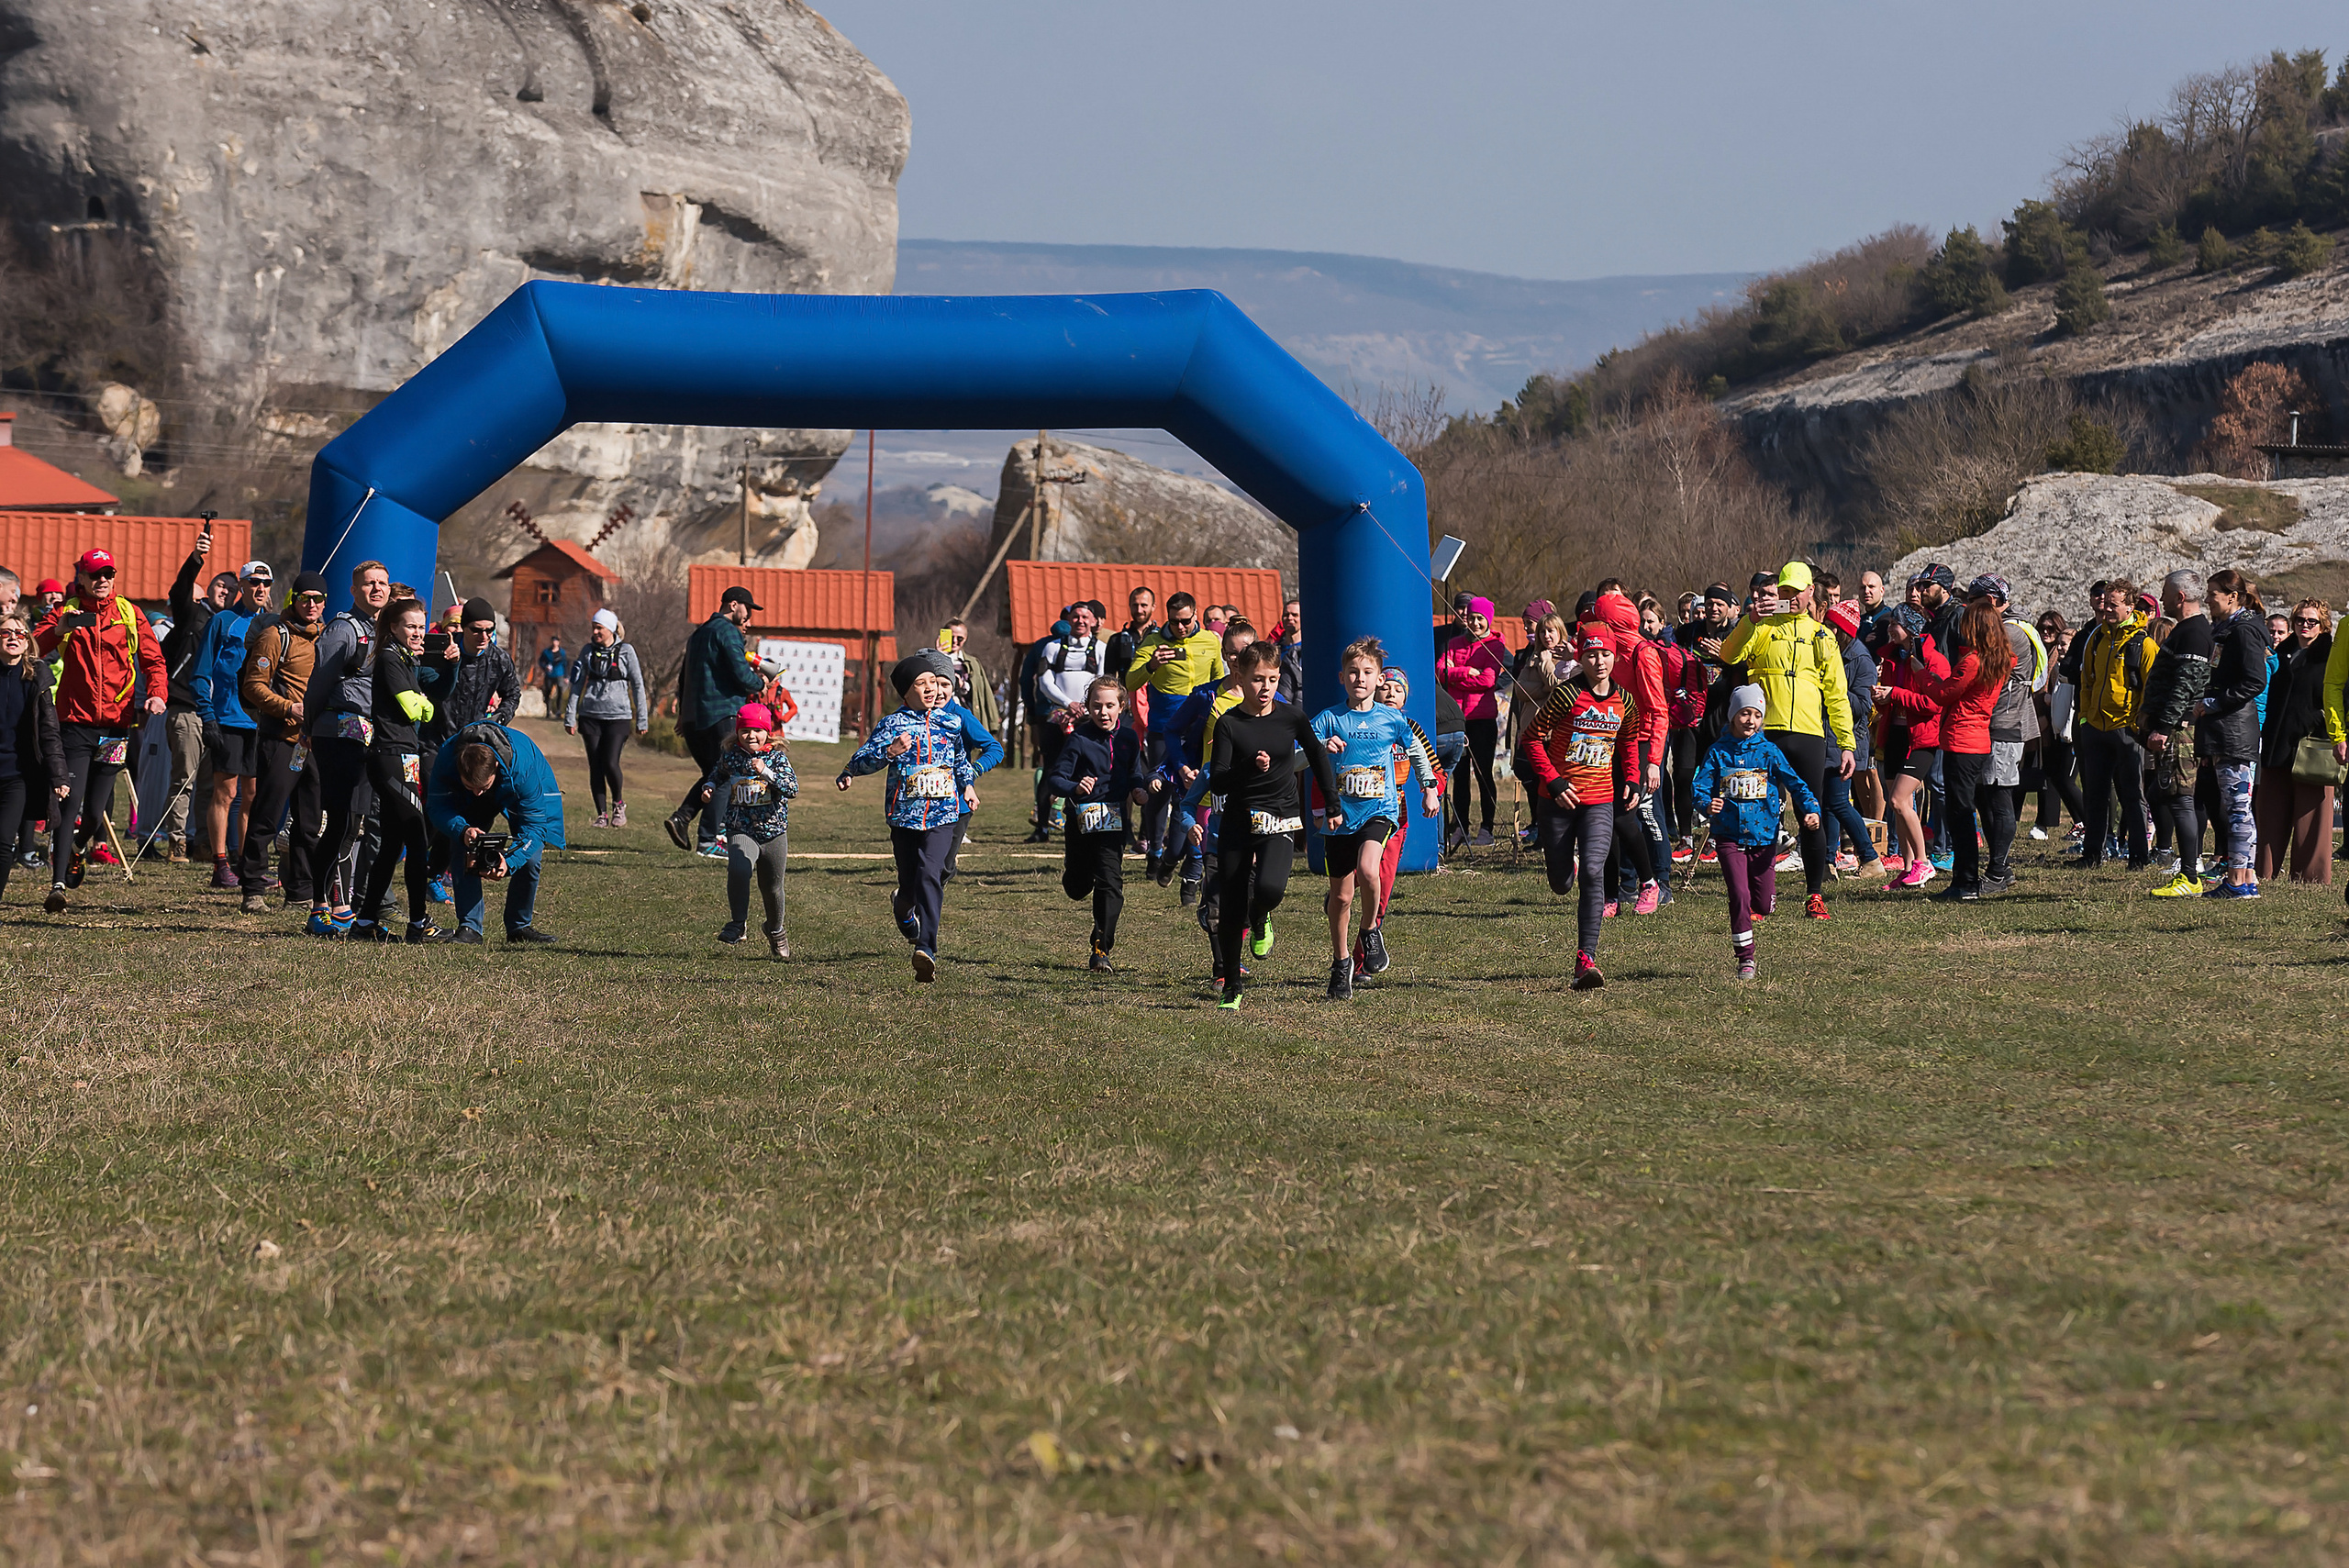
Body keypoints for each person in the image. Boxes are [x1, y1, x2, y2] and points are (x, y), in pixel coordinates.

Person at [31, 549, 169, 915]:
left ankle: (78, 847)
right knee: (68, 803)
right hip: (74, 724)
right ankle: (58, 883)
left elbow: (153, 659)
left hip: (115, 727)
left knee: (95, 812)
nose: (103, 580)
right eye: (96, 575)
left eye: (108, 573)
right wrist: (61, 628)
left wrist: (157, 693)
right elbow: (36, 646)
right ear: (82, 579)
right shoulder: (68, 610)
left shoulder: (129, 612)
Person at [1205, 642, 1341, 1011]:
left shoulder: (1292, 717)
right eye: (1258, 679)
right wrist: (1249, 767)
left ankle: (1262, 914)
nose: (1266, 687)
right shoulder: (1229, 723)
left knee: (1269, 888)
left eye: (1273, 679)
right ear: (1240, 678)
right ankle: (1232, 984)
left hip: (1280, 815)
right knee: (1232, 906)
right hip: (1237, 820)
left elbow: (1316, 756)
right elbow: (1217, 781)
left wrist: (1331, 800)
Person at [1718, 561, 1854, 920]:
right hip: (1765, 734)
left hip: (1809, 735)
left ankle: (1814, 894)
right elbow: (1728, 655)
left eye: (1797, 591)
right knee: (1756, 814)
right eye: (1785, 591)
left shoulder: (1822, 636)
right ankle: (1761, 895)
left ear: (1811, 592)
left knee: (1811, 814)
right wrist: (1749, 619)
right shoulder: (1761, 628)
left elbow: (1837, 695)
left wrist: (1847, 743)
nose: (1790, 597)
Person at [839, 649, 981, 984]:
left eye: (934, 681)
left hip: (944, 813)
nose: (932, 688)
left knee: (931, 873)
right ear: (906, 692)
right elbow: (862, 759)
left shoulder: (951, 721)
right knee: (909, 883)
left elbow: (960, 761)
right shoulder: (893, 724)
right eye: (922, 683)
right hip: (904, 816)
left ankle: (926, 948)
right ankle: (903, 910)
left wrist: (969, 787)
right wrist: (889, 752)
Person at [1311, 636, 1441, 998]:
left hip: (1379, 810)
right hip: (1340, 818)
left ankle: (1369, 931)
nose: (1360, 679)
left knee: (1369, 869)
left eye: (1368, 672)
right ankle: (1340, 964)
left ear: (1379, 678)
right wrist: (1320, 748)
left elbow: (1416, 750)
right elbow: (1297, 754)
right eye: (1353, 672)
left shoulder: (1392, 719)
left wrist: (1428, 786)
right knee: (1340, 897)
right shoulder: (1329, 719)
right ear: (1342, 677)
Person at [1523, 624, 1629, 991]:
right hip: (1556, 800)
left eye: (1605, 654)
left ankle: (1586, 959)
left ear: (1615, 657)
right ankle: (1563, 863)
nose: (1598, 661)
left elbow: (1628, 741)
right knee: (1561, 882)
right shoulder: (1566, 695)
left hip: (1599, 799)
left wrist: (1631, 777)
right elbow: (1531, 739)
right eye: (1591, 654)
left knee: (1594, 872)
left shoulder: (1624, 701)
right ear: (1580, 657)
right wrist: (1553, 781)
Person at [1693, 684, 1821, 979]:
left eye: (1756, 715)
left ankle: (1767, 897)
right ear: (1732, 716)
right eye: (1744, 714)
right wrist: (1705, 803)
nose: (1750, 720)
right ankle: (1745, 959)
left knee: (1761, 903)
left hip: (1764, 838)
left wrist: (1811, 808)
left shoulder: (1769, 752)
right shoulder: (1718, 752)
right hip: (1728, 836)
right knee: (1738, 893)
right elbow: (1699, 786)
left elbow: (1796, 783)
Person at [304, 561, 393, 936]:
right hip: (337, 733)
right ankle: (319, 908)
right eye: (369, 584)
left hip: (369, 737)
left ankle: (345, 907)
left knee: (355, 824)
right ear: (354, 591)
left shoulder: (385, 630)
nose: (377, 589)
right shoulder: (343, 629)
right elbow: (319, 682)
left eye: (382, 583)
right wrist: (308, 729)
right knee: (339, 822)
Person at [350, 597, 441, 945]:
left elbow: (424, 707)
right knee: (417, 840)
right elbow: (412, 706)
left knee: (392, 845)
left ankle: (365, 921)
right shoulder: (390, 657)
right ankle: (419, 923)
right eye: (410, 626)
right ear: (393, 627)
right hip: (389, 758)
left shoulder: (405, 658)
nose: (418, 632)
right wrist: (423, 703)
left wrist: (424, 703)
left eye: (421, 626)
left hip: (405, 755)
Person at [233, 571, 327, 914]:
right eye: (305, 598)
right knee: (267, 816)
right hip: (281, 738)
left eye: (318, 599)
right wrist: (290, 708)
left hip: (315, 742)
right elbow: (253, 686)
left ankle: (300, 892)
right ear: (293, 600)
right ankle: (253, 889)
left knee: (309, 822)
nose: (312, 605)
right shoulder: (276, 635)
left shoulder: (326, 635)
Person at [427, 718, 566, 944]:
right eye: (470, 786)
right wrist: (463, 830)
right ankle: (470, 928)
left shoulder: (522, 767)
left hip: (519, 788)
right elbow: (437, 806)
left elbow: (535, 826)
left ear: (496, 768)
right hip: (475, 796)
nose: (478, 793)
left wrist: (508, 863)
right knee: (464, 847)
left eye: (483, 787)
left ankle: (519, 927)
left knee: (530, 857)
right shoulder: (447, 757)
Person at [1916, 597, 2016, 901]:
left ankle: (1966, 881)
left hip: (1961, 740)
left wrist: (1922, 674)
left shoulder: (1973, 661)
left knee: (1960, 814)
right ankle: (1967, 878)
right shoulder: (2002, 658)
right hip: (1979, 739)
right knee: (1964, 810)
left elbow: (1944, 695)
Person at [1045, 675, 1142, 971]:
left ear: (1122, 707)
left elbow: (1135, 771)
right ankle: (1076, 875)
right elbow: (1055, 779)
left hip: (1113, 822)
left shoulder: (1129, 739)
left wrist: (1139, 789)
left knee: (1111, 883)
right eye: (1097, 706)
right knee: (1077, 887)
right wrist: (1075, 787)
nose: (1103, 712)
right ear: (1088, 707)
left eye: (1110, 705)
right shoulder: (1079, 738)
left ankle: (1101, 948)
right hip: (1081, 820)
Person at [2061, 578, 2157, 871]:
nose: (2107, 608)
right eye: (2105, 603)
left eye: (2114, 604)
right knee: (2095, 793)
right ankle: (2092, 854)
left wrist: (2138, 723)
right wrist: (2086, 718)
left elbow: (2151, 689)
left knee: (2131, 794)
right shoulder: (2096, 639)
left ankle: (2139, 856)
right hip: (2095, 727)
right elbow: (2086, 681)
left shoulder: (2143, 643)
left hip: (2126, 729)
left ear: (2130, 606)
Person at [1125, 592, 1225, 873]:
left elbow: (1220, 679)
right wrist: (1152, 665)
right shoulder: (1153, 641)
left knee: (1190, 792)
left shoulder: (1208, 641)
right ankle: (1154, 851)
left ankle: (1182, 854)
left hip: (1198, 729)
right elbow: (1130, 681)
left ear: (1196, 615)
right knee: (1159, 791)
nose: (1180, 628)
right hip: (1163, 728)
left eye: (1185, 621)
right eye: (1174, 621)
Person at [666, 585, 770, 857]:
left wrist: (682, 714)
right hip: (721, 714)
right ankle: (708, 839)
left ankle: (682, 819)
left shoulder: (699, 633)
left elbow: (684, 676)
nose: (748, 618)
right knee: (725, 776)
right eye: (748, 610)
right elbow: (740, 673)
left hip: (693, 717)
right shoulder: (727, 632)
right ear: (733, 605)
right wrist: (760, 683)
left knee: (714, 773)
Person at [190, 561, 274, 891]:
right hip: (227, 718)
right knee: (226, 793)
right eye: (254, 581)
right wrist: (207, 715)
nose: (261, 588)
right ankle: (220, 863)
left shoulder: (272, 624)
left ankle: (247, 863)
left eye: (266, 582)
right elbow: (201, 671)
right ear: (242, 585)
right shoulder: (222, 621)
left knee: (253, 795)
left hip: (260, 719)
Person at [696, 700, 796, 958]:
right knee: (739, 867)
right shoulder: (731, 756)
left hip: (773, 831)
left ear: (767, 732)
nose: (751, 736)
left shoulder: (776, 757)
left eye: (757, 731)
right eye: (745, 731)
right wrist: (708, 786)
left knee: (772, 888)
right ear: (737, 733)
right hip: (741, 828)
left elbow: (792, 789)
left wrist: (767, 773)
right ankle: (738, 924)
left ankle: (775, 930)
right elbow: (717, 774)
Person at [2196, 569, 2270, 898]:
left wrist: (2213, 702)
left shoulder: (2244, 632)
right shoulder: (2225, 630)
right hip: (2225, 729)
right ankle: (2248, 875)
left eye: (2213, 593)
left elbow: (2256, 680)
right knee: (2235, 804)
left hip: (2235, 730)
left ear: (2232, 597)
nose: (2208, 599)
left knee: (2238, 807)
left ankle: (2237, 882)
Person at [2140, 570, 2214, 897]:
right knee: (2161, 794)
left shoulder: (2194, 633)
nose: (2162, 596)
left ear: (2180, 597)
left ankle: (2189, 875)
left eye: (2166, 592)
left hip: (2180, 730)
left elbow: (2185, 686)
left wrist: (2164, 727)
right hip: (2171, 726)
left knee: (2182, 800)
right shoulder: (2184, 631)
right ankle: (2188, 866)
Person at [155, 536, 225, 862]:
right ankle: (177, 842)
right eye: (219, 586)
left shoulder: (232, 625)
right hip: (185, 709)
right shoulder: (191, 616)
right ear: (208, 590)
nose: (225, 591)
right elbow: (180, 589)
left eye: (231, 588)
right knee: (184, 780)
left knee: (212, 784)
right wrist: (197, 558)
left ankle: (203, 844)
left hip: (217, 715)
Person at [2258, 601, 2333, 884]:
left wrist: (2312, 721)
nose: (2305, 625)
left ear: (2323, 625)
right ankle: (2265, 872)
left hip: (2313, 745)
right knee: (2271, 812)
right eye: (2300, 619)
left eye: (2311, 621)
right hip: (2277, 744)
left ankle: (2311, 877)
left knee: (2312, 815)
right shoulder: (2282, 653)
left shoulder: (2331, 657)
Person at [1872, 606, 1946, 890]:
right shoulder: (1891, 659)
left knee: (1899, 801)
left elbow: (1933, 702)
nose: (1890, 628)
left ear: (1912, 627)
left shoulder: (1934, 660)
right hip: (1894, 736)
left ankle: (1923, 862)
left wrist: (1895, 694)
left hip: (1923, 739)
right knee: (1897, 805)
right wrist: (1880, 697)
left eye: (1896, 623)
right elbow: (1891, 699)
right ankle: (1906, 868)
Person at [0, 610, 66, 906]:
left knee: (3, 843)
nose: (13, 637)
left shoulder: (36, 678)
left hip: (17, 776)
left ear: (28, 643)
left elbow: (49, 732)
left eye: (19, 633)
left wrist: (59, 775)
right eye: (5, 632)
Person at [1435, 595, 1509, 849]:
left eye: (1480, 619)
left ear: (1488, 620)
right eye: (1471, 618)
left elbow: (1488, 680)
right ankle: (1460, 826)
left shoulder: (1494, 646)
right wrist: (1466, 671)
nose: (1475, 623)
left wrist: (1455, 675)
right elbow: (1441, 672)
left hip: (1482, 719)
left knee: (1483, 773)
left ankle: (1487, 827)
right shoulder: (1453, 643)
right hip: (1457, 718)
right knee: (1459, 778)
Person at [566, 608, 649, 828]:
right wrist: (570, 716)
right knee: (596, 765)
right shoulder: (587, 651)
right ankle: (601, 814)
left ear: (610, 629)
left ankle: (618, 805)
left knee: (610, 762)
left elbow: (638, 685)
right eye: (593, 627)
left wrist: (643, 719)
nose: (595, 632)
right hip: (590, 716)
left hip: (618, 717)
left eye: (599, 628)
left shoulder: (626, 651)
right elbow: (577, 683)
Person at [1820, 601, 1884, 881]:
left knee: (1838, 802)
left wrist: (1830, 691)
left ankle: (1870, 858)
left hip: (1846, 738)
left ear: (1846, 631)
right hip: (1826, 735)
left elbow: (1863, 704)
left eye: (1834, 627)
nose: (1828, 631)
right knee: (1827, 802)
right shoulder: (1830, 651)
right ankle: (1826, 861)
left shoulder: (1860, 659)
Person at [2031, 613, 2085, 842]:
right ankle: (2082, 823)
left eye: (2063, 642)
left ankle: (2087, 822)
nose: (2059, 646)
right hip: (2057, 728)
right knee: (2055, 776)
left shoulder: (2072, 668)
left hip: (2070, 731)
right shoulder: (2055, 663)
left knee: (2065, 779)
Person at [939, 617, 1002, 740]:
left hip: (965, 716)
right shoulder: (931, 659)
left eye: (960, 638)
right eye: (951, 636)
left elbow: (981, 693)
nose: (955, 641)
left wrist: (963, 685)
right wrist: (938, 656)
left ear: (966, 638)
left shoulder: (972, 663)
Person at [536, 635, 570, 720]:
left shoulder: (562, 653)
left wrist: (566, 676)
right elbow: (540, 661)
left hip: (559, 674)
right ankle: (548, 711)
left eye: (556, 641)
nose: (555, 643)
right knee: (548, 693)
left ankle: (558, 711)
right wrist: (545, 667)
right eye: (553, 641)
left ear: (558, 643)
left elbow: (566, 664)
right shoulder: (546, 652)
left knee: (560, 692)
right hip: (550, 674)